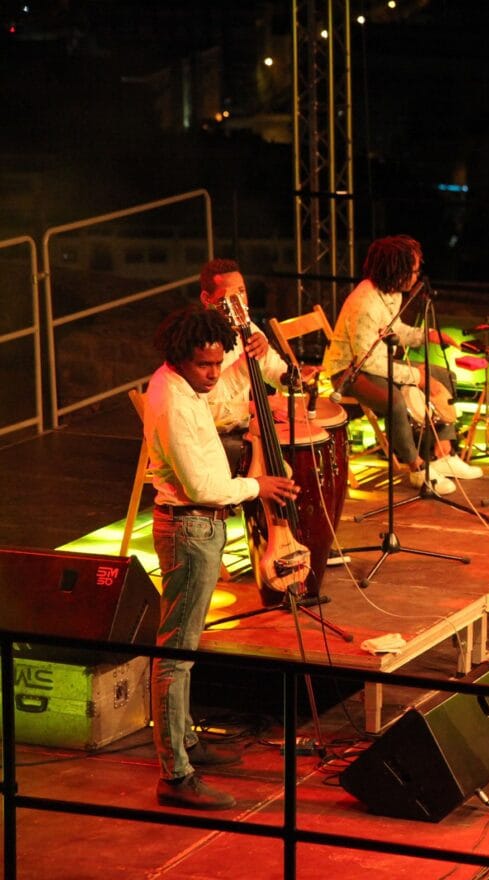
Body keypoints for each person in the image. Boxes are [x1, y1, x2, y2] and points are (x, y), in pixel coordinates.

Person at [143, 306, 300, 809]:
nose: (214, 373)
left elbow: (237, 347)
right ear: (181, 358)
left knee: (184, 650)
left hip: (198, 526)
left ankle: (185, 741)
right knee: (177, 654)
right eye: (205, 366)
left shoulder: (183, 384)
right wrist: (260, 485)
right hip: (189, 527)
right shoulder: (174, 402)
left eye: (217, 363)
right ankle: (175, 775)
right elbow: (201, 484)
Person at [322, 234, 482, 494]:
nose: (417, 276)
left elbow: (395, 330)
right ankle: (418, 469)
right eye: (414, 270)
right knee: (394, 401)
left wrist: (426, 335)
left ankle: (443, 454)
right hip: (350, 372)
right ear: (396, 270)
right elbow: (368, 361)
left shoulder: (393, 292)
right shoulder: (365, 303)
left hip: (377, 363)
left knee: (445, 376)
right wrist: (416, 377)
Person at [196, 259, 289, 472]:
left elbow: (273, 370)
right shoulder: (199, 341)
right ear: (206, 299)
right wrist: (252, 406)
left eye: (242, 291)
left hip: (240, 428)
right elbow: (204, 411)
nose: (238, 301)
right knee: (278, 461)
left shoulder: (247, 327)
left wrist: (291, 377)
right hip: (210, 437)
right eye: (229, 295)